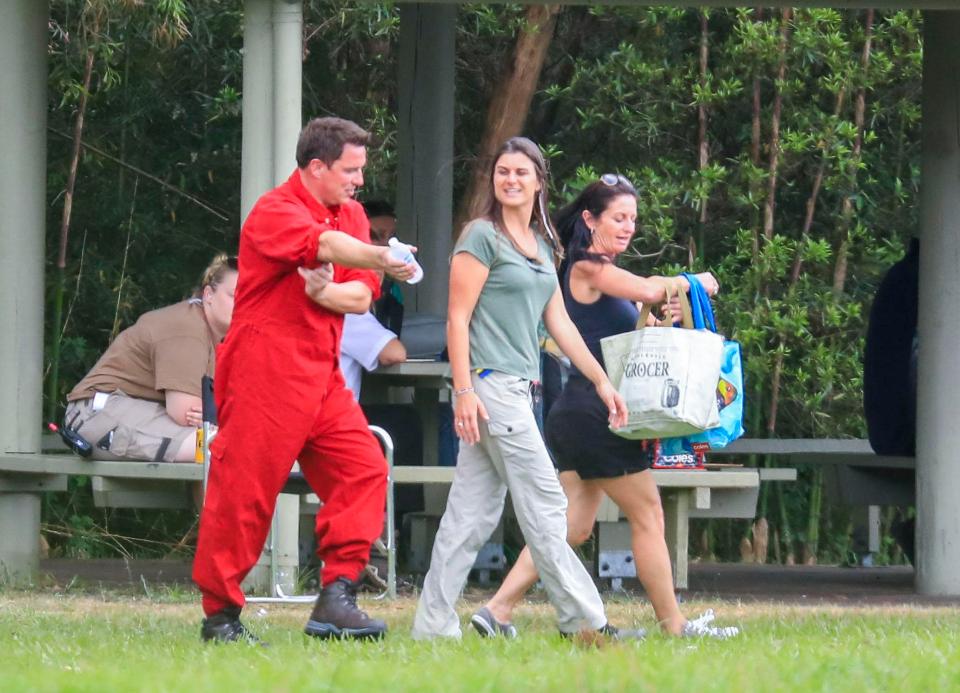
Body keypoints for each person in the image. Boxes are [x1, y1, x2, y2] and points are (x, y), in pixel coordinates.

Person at [472, 176, 739, 640]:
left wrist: (663, 314)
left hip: (579, 413)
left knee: (572, 525)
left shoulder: (604, 276)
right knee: (648, 514)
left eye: (633, 219)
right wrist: (694, 283)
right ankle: (674, 626)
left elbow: (632, 321)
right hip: (599, 414)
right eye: (619, 217)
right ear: (590, 219)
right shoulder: (588, 267)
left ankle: (497, 610)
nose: (628, 227)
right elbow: (651, 287)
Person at [192, 117, 416, 645]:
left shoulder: (355, 213)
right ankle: (220, 616)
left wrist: (323, 295)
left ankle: (336, 597)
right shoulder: (275, 211)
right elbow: (330, 248)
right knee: (245, 490)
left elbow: (360, 297)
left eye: (360, 169)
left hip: (320, 372)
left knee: (363, 467)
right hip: (263, 370)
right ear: (316, 167)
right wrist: (385, 256)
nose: (359, 180)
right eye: (350, 170)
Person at [412, 137, 639, 642]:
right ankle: (585, 623)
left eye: (520, 172)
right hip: (490, 388)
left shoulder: (542, 246)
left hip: (521, 389)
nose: (510, 180)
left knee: (471, 516)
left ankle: (431, 629)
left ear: (538, 181)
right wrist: (464, 390)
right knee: (546, 504)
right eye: (502, 172)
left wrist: (602, 382)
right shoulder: (480, 236)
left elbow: (559, 323)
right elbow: (457, 317)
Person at [64, 254, 238, 463]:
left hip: (139, 411)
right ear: (208, 294)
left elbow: (213, 413)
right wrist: (225, 414)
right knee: (215, 446)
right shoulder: (187, 327)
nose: (243, 303)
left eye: (250, 296)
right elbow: (186, 412)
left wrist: (220, 413)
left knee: (227, 441)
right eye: (234, 295)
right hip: (96, 413)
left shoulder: (223, 337)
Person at [364, 200, 405, 335]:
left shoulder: (393, 290)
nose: (386, 245)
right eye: (374, 236)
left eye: (392, 237)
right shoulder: (338, 281)